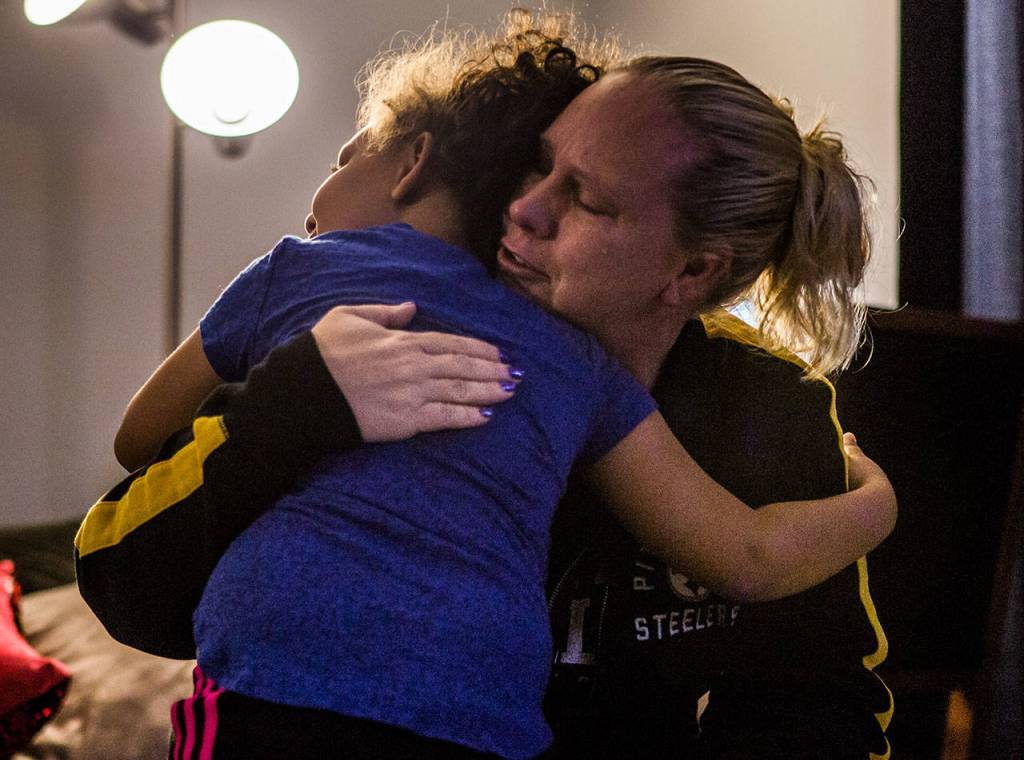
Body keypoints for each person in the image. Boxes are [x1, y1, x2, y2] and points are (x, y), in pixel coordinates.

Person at [75, 19, 894, 760]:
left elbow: (813, 699)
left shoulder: (763, 406)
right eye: (540, 165)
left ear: (693, 271)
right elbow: (127, 582)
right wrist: (295, 402)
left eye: (588, 200)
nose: (525, 210)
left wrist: (879, 506)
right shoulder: (360, 332)